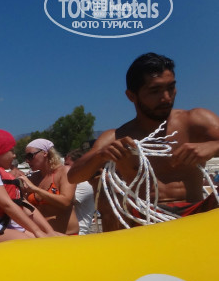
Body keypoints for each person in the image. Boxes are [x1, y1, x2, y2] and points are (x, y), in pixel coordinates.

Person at [68, 53, 219, 230]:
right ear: (131, 96)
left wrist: (213, 145)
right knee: (112, 204)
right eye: (155, 91)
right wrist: (101, 155)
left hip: (196, 212)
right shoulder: (116, 137)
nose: (166, 97)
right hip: (145, 219)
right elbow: (74, 176)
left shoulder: (196, 121)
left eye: (171, 88)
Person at [0, 129, 59, 242]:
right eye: (11, 151)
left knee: (57, 238)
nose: (14, 155)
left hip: (13, 228)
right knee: (36, 243)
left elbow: (25, 205)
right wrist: (37, 231)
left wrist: (49, 231)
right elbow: (7, 205)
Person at [17, 138, 78, 235]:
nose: (27, 161)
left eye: (30, 156)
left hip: (67, 235)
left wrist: (36, 189)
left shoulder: (64, 171)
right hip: (43, 236)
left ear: (45, 153)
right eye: (25, 157)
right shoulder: (32, 178)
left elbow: (65, 202)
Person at [65, 149, 96, 234]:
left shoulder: (85, 184)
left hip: (79, 232)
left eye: (67, 164)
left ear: (78, 165)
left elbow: (66, 202)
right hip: (67, 230)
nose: (64, 168)